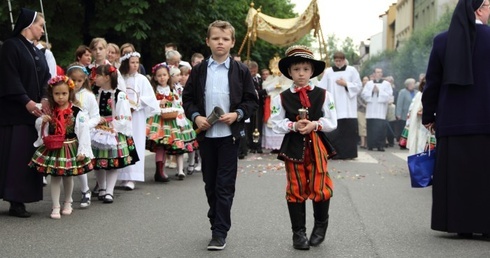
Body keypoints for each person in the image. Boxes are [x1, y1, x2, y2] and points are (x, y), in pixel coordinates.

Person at [182, 20, 258, 250]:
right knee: (210, 183)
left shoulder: (241, 70)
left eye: (225, 39)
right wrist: (196, 116)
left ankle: (219, 231)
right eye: (215, 38)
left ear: (232, 42)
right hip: (207, 136)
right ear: (208, 41)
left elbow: (251, 100)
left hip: (229, 137)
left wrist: (238, 114)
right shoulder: (199, 70)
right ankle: (215, 214)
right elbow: (188, 99)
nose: (220, 42)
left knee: (224, 185)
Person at [422, 0, 490, 237]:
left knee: (457, 177)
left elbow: (433, 82)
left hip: (453, 121)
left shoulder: (442, 40)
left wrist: (429, 115)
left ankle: (460, 225)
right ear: (480, 9)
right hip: (486, 119)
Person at [270, 45, 337, 250]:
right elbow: (274, 123)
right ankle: (298, 233)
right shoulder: (280, 97)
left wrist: (315, 124)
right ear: (289, 72)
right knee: (295, 186)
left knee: (320, 185)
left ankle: (320, 226)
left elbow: (332, 121)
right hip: (293, 146)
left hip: (317, 145)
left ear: (312, 72)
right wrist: (292, 125)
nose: (301, 73)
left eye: (306, 69)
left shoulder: (324, 95)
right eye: (297, 69)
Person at [0, 8, 51, 218]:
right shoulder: (11, 46)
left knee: (27, 157)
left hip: (34, 114)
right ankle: (15, 200)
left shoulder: (38, 51)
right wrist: (26, 101)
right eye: (40, 25)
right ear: (29, 25)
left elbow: (47, 77)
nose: (42, 30)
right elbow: (9, 77)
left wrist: (45, 98)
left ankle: (22, 197)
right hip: (15, 113)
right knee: (14, 157)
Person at [28, 76, 94, 219]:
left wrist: (83, 150)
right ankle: (55, 205)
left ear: (69, 93)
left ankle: (68, 202)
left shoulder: (77, 111)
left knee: (68, 177)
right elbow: (41, 129)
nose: (60, 97)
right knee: (55, 177)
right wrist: (42, 121)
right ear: (52, 94)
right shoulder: (50, 111)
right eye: (57, 94)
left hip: (70, 147)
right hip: (54, 147)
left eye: (64, 93)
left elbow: (83, 131)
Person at [91, 64, 138, 203]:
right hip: (97, 129)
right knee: (98, 161)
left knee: (113, 162)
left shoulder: (119, 95)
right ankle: (102, 188)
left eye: (97, 75)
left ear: (106, 78)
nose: (95, 78)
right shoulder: (95, 93)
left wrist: (114, 126)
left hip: (113, 130)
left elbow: (123, 114)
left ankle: (109, 191)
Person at [118, 52, 160, 190]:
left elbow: (149, 97)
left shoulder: (142, 79)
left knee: (135, 141)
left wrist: (137, 104)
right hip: (123, 114)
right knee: (122, 142)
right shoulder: (120, 78)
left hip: (136, 115)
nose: (136, 65)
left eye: (137, 62)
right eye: (132, 62)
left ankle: (132, 176)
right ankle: (122, 175)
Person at [66, 63, 101, 208]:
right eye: (73, 80)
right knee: (69, 161)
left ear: (84, 80)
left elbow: (96, 116)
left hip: (83, 133)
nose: (77, 84)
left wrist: (87, 125)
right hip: (69, 133)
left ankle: (85, 190)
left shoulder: (88, 96)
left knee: (81, 160)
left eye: (80, 81)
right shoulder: (65, 93)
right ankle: (67, 195)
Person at [318, 51, 362, 159]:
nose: (338, 63)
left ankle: (348, 154)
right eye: (336, 61)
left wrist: (346, 84)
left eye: (340, 61)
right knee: (335, 132)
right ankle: (334, 153)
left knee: (348, 132)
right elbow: (322, 87)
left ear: (344, 60)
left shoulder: (351, 70)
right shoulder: (328, 72)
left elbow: (358, 86)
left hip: (348, 108)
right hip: (335, 106)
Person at [361, 68, 392, 151]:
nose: (379, 74)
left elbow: (389, 96)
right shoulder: (369, 84)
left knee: (381, 129)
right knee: (371, 128)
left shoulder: (386, 84)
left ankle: (380, 145)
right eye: (377, 72)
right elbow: (363, 94)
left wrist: (379, 92)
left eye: (380, 72)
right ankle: (370, 145)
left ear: (382, 74)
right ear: (374, 74)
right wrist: (372, 91)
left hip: (381, 111)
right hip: (371, 110)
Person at [406, 77, 430, 155]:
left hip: (429, 126)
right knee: (419, 145)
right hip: (420, 125)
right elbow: (412, 109)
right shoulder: (419, 95)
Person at [245, 60, 264, 154]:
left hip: (259, 106)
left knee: (258, 126)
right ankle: (252, 145)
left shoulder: (260, 79)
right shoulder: (247, 79)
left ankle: (258, 145)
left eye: (255, 70)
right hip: (251, 106)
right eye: (252, 70)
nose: (253, 72)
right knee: (251, 126)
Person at [395, 78, 417, 149]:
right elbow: (399, 103)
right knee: (404, 130)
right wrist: (398, 113)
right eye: (413, 83)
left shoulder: (416, 92)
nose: (414, 85)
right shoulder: (403, 92)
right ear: (409, 84)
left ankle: (410, 144)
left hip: (413, 115)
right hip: (404, 114)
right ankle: (402, 144)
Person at [357, 76, 369, 149]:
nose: (366, 81)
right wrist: (364, 105)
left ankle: (367, 143)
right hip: (360, 110)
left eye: (367, 80)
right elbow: (358, 100)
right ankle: (362, 142)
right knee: (362, 126)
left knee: (368, 126)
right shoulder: (359, 90)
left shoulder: (370, 89)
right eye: (364, 80)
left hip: (369, 111)